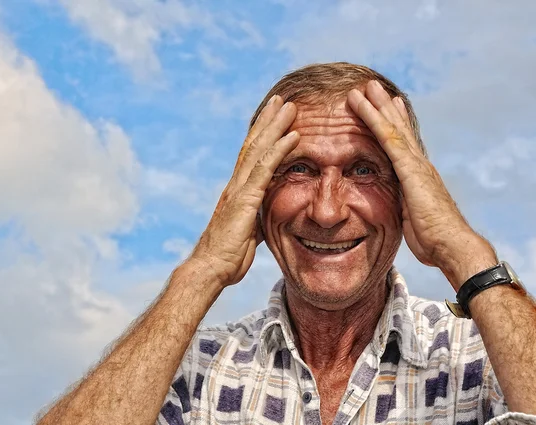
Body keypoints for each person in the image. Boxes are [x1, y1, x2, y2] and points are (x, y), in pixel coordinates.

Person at [35, 63, 536, 425]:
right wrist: (204, 268)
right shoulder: (195, 371)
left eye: (364, 171)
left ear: (411, 194)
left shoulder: (485, 357)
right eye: (298, 169)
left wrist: (463, 250)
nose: (326, 210)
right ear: (254, 197)